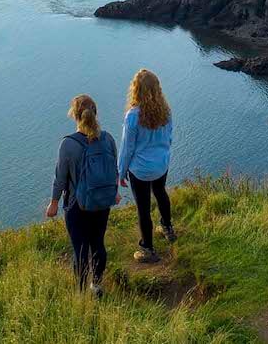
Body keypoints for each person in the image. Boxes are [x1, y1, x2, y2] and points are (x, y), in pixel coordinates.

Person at [46, 94, 120, 297]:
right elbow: (114, 168)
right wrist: (115, 193)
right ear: (95, 114)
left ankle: (80, 294)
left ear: (75, 116)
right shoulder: (108, 138)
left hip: (77, 205)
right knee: (97, 243)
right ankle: (96, 286)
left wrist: (53, 203)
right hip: (102, 202)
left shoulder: (68, 144)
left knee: (80, 249)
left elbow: (60, 178)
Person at [119, 69, 176, 263]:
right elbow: (169, 138)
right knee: (160, 192)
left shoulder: (133, 116)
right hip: (161, 164)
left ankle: (148, 249)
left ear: (136, 90)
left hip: (141, 169)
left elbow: (127, 148)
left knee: (143, 208)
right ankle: (167, 228)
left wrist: (121, 171)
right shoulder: (166, 111)